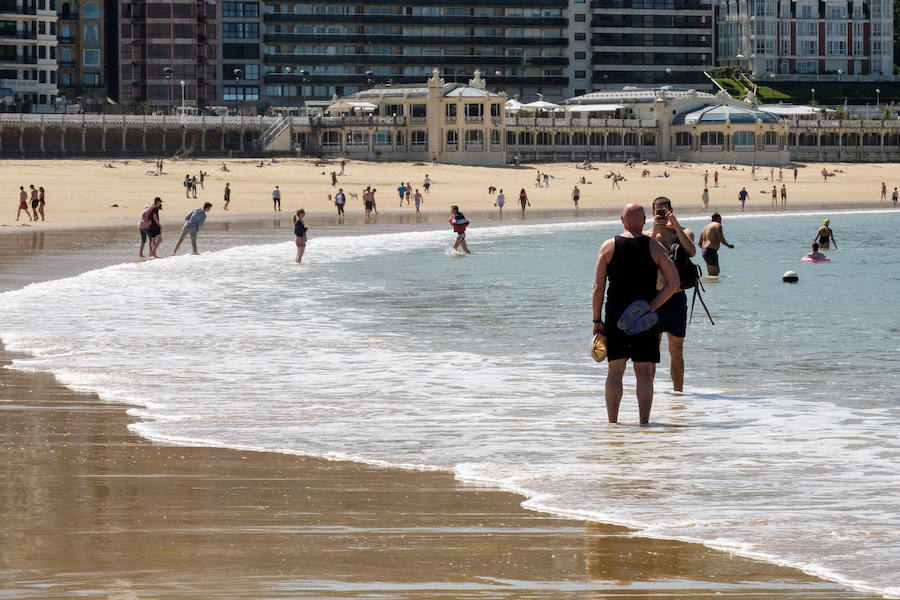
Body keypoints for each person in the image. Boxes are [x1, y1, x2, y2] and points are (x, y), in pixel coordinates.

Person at [592, 203, 679, 425]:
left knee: (615, 371)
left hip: (616, 316)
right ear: (643, 221)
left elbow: (598, 288)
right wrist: (653, 305)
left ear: (622, 220)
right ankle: (644, 423)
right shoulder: (655, 247)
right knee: (644, 373)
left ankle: (613, 423)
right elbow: (674, 282)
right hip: (644, 316)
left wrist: (596, 320)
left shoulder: (608, 246)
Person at [646, 196, 696, 393]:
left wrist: (674, 224)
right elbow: (641, 257)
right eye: (658, 211)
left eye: (665, 211)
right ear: (653, 213)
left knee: (676, 349)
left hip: (676, 298)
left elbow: (691, 251)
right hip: (655, 298)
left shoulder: (684, 232)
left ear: (671, 210)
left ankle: (678, 396)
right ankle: (647, 391)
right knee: (651, 351)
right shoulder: (648, 234)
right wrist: (656, 231)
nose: (662, 214)